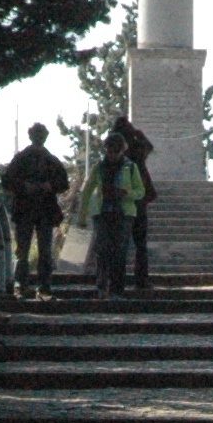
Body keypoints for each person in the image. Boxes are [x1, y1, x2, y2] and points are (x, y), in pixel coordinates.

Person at [1, 122, 71, 298]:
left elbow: (63, 183)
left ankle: (43, 286)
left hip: (44, 210)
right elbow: (7, 181)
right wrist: (24, 186)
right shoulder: (23, 158)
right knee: (23, 251)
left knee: (42, 250)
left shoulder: (49, 160)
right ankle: (23, 285)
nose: (39, 138)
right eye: (37, 134)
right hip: (25, 209)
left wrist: (50, 186)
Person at [78, 124, 145, 295]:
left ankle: (117, 289)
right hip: (102, 213)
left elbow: (140, 191)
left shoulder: (130, 167)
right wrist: (82, 216)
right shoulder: (99, 167)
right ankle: (102, 285)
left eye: (115, 151)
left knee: (120, 252)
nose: (112, 154)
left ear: (122, 150)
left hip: (124, 214)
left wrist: (127, 193)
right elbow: (86, 191)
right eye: (109, 150)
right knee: (102, 250)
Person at [112, 115, 156, 292]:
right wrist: (140, 134)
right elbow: (149, 147)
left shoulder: (115, 151)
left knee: (120, 244)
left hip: (119, 200)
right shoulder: (137, 148)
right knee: (140, 243)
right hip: (138, 199)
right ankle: (141, 279)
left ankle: (118, 281)